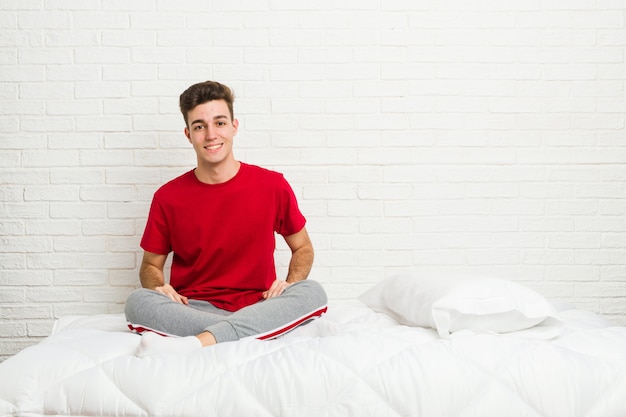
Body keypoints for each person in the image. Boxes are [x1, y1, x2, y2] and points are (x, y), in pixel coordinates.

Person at [124, 80, 328, 357]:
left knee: (312, 292)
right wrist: (159, 288)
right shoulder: (167, 197)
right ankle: (250, 331)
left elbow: (303, 247)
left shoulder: (272, 185)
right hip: (193, 308)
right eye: (199, 126)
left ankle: (198, 342)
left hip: (261, 304)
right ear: (188, 134)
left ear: (234, 126)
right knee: (138, 302)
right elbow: (150, 265)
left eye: (219, 123)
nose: (210, 135)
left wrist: (290, 283)